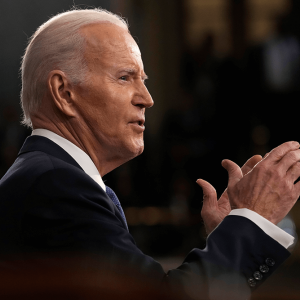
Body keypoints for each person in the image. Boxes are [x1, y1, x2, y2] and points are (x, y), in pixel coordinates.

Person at [0, 8, 299, 299]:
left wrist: (228, 238)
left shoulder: (48, 177)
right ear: (65, 93)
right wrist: (252, 221)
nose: (147, 99)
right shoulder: (56, 184)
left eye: (143, 80)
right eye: (125, 77)